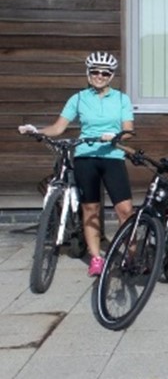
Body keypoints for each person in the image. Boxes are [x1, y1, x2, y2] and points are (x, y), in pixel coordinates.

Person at [18, 52, 135, 277]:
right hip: (85, 157)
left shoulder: (122, 99)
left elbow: (128, 130)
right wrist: (37, 131)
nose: (100, 76)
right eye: (95, 72)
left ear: (111, 75)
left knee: (125, 209)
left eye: (105, 73)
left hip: (112, 157)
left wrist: (115, 136)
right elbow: (58, 128)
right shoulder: (78, 98)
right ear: (88, 73)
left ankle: (131, 254)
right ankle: (96, 259)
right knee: (90, 208)